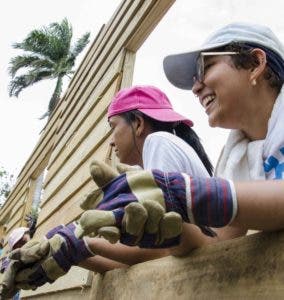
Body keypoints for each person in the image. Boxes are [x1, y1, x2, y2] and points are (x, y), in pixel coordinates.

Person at [79, 84, 214, 272]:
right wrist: (75, 250)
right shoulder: (155, 155)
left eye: (113, 127)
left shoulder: (158, 142)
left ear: (138, 123)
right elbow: (155, 250)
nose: (111, 141)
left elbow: (163, 248)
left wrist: (84, 242)